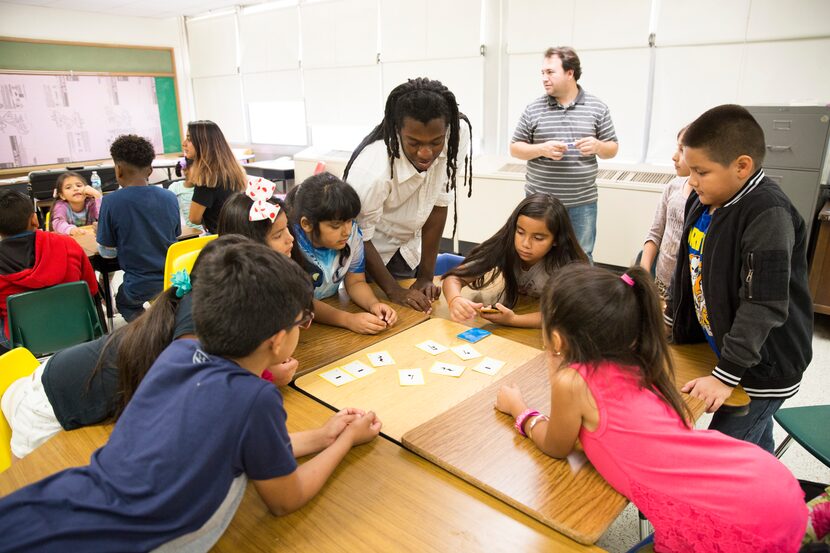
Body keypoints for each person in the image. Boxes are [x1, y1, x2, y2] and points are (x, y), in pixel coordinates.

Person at [0, 236, 383, 551]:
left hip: (61, 505)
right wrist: (345, 441)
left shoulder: (179, 354)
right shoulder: (256, 398)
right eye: (303, 321)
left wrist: (321, 434)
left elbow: (239, 445)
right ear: (278, 340)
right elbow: (285, 498)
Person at [495, 263, 807, 552]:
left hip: (741, 523)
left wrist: (521, 411)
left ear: (558, 339)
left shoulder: (572, 382)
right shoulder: (643, 360)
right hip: (766, 482)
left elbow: (556, 445)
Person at [666, 104, 813, 453]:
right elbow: (688, 270)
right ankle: (769, 490)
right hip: (727, 349)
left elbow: (762, 304)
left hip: (764, 365)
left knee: (721, 458)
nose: (692, 179)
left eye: (702, 171)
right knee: (754, 444)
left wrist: (725, 375)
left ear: (742, 166)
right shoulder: (705, 200)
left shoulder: (768, 214)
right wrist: (671, 321)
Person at [343, 77, 472, 314]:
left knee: (416, 321)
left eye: (436, 142)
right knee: (382, 319)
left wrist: (425, 276)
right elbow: (359, 237)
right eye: (413, 143)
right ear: (397, 130)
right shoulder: (373, 171)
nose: (426, 153)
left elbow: (439, 203)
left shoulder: (457, 133)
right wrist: (394, 291)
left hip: (411, 248)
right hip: (371, 256)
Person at [510, 46, 618, 261]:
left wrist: (598, 146)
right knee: (536, 256)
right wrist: (541, 149)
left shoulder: (597, 108)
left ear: (570, 73)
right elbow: (515, 148)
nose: (544, 78)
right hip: (539, 202)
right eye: (542, 72)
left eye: (550, 72)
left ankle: (577, 296)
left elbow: (612, 148)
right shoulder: (533, 109)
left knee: (581, 255)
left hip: (581, 203)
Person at [442, 194, 587, 328]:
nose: (525, 244)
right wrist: (455, 299)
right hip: (523, 307)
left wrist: (512, 320)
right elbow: (454, 278)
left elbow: (560, 316)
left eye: (538, 238)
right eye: (520, 232)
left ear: (556, 239)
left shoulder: (565, 266)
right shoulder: (505, 245)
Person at [286, 172, 398, 334]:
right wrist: (347, 320)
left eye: (349, 221)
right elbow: (301, 301)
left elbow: (355, 282)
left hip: (329, 312)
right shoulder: (289, 242)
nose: (346, 231)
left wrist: (373, 304)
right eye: (336, 225)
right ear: (307, 224)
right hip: (297, 324)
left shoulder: (352, 234)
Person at [96, 134, 180, 322]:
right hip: (173, 281)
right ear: (150, 170)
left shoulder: (111, 202)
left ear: (118, 170)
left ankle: (147, 331)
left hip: (139, 286)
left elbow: (107, 254)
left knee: (124, 301)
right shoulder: (169, 197)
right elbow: (175, 235)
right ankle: (162, 324)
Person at [0, 188, 98, 347]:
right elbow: (91, 289)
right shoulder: (67, 244)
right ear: (35, 220)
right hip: (77, 329)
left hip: (23, 341)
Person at [639, 126, 692, 298]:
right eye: (677, 148)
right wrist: (644, 272)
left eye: (682, 150)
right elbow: (655, 233)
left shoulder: (707, 199)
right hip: (662, 282)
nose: (674, 156)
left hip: (687, 290)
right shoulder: (672, 187)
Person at [184, 120, 247, 234]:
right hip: (239, 234)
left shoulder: (207, 178)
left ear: (203, 143)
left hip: (220, 238)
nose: (184, 143)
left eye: (189, 139)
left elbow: (194, 218)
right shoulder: (232, 171)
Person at [49, 172, 102, 236]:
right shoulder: (60, 206)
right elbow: (57, 223)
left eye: (79, 186)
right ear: (62, 195)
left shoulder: (91, 203)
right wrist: (71, 229)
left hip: (89, 238)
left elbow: (103, 217)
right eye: (68, 187)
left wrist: (97, 196)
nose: (75, 189)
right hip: (70, 240)